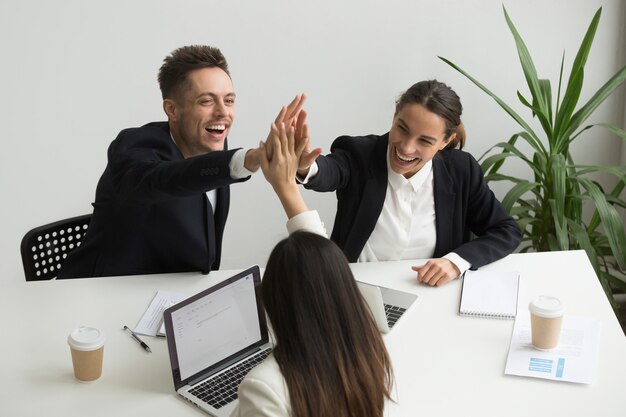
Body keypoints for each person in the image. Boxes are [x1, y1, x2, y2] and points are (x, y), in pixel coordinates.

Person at [58, 45, 304, 278]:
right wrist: (249, 159)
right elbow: (166, 179)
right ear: (172, 110)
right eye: (207, 101)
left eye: (229, 100)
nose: (222, 112)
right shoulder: (133, 146)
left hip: (178, 299)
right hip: (98, 297)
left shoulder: (215, 144)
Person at [231, 121, 393, 417]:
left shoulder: (265, 385)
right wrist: (285, 186)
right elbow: (323, 265)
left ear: (273, 302)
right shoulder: (368, 352)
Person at [295, 80, 522, 287]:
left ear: (445, 141)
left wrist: (455, 262)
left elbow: (506, 230)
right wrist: (305, 166)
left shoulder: (461, 170)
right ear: (395, 115)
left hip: (429, 295)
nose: (406, 148)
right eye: (402, 129)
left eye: (424, 140)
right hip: (355, 291)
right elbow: (329, 171)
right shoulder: (360, 153)